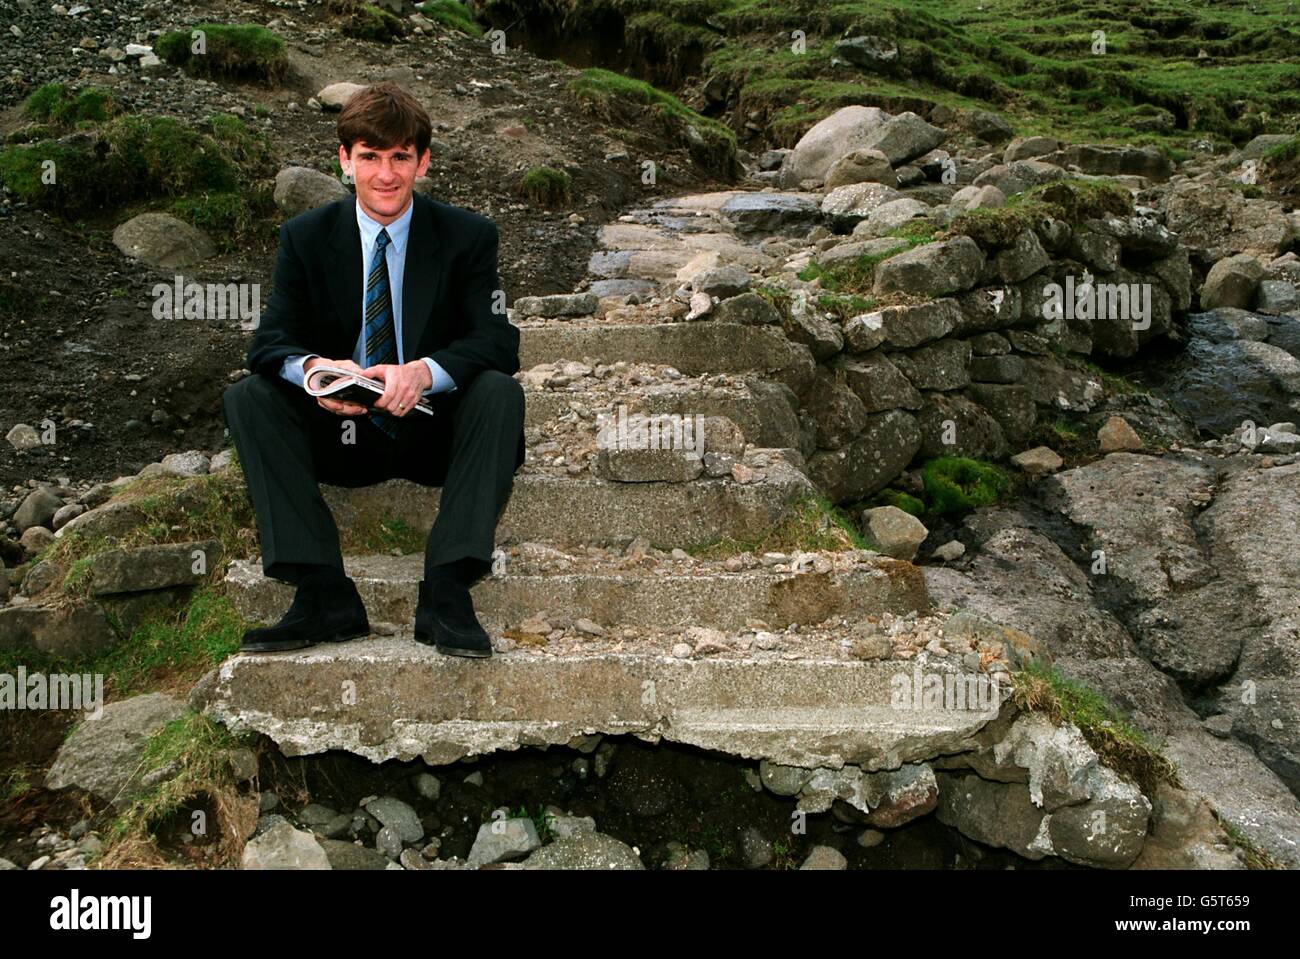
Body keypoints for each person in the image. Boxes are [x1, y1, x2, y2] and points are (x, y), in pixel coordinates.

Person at [221, 81, 524, 658]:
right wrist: (315, 372)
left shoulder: (468, 236)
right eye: (369, 158)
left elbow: (497, 340)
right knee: (248, 397)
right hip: (343, 432)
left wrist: (424, 372)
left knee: (499, 392)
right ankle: (322, 592)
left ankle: (447, 589)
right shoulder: (305, 238)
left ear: (423, 161)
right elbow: (269, 342)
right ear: (344, 160)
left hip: (435, 433)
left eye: (399, 158)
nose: (385, 175)